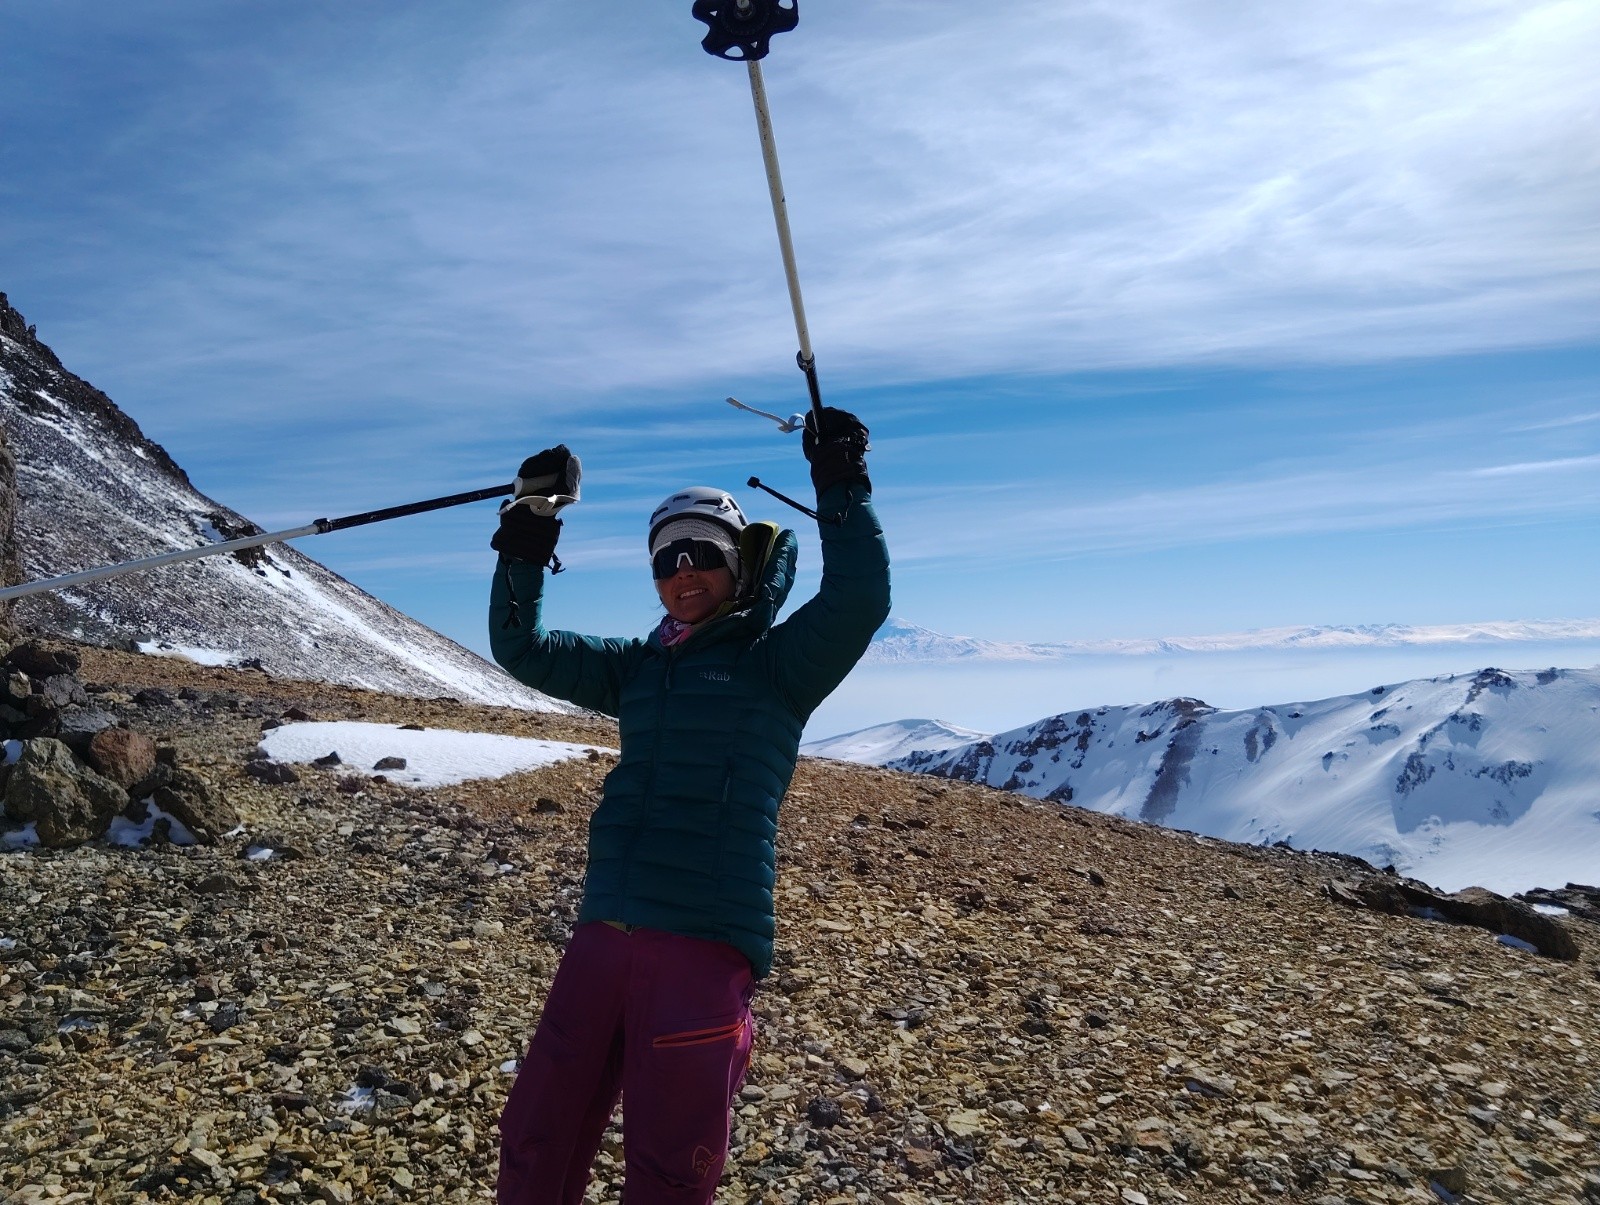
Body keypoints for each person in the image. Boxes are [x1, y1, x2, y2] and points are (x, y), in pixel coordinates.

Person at [488, 406, 890, 1204]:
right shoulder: (639, 669)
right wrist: (531, 527)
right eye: (666, 558)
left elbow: (859, 599)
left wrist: (839, 480)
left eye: (702, 552)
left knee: (673, 1169)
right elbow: (521, 647)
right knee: (536, 1137)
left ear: (738, 562)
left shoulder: (777, 667)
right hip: (602, 933)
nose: (683, 570)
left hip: (703, 948)